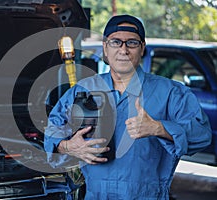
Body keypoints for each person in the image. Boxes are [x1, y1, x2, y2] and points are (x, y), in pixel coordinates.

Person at [44, 14, 212, 199]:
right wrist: (67, 146)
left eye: (132, 43)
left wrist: (159, 128)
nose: (123, 50)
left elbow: (202, 135)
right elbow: (52, 132)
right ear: (105, 49)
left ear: (142, 48)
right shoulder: (82, 91)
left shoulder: (171, 92)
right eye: (116, 42)